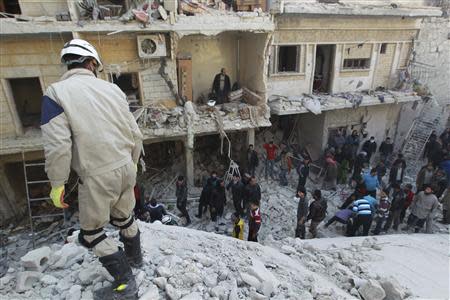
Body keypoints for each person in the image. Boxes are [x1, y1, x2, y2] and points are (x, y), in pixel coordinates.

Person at [41, 39, 143, 299]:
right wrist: (130, 164)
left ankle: (125, 284)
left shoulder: (55, 93)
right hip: (126, 165)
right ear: (92, 63)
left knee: (91, 232)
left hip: (97, 174)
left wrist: (57, 184)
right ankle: (135, 260)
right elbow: (136, 134)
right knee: (124, 217)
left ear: (68, 64)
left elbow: (58, 147)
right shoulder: (113, 90)